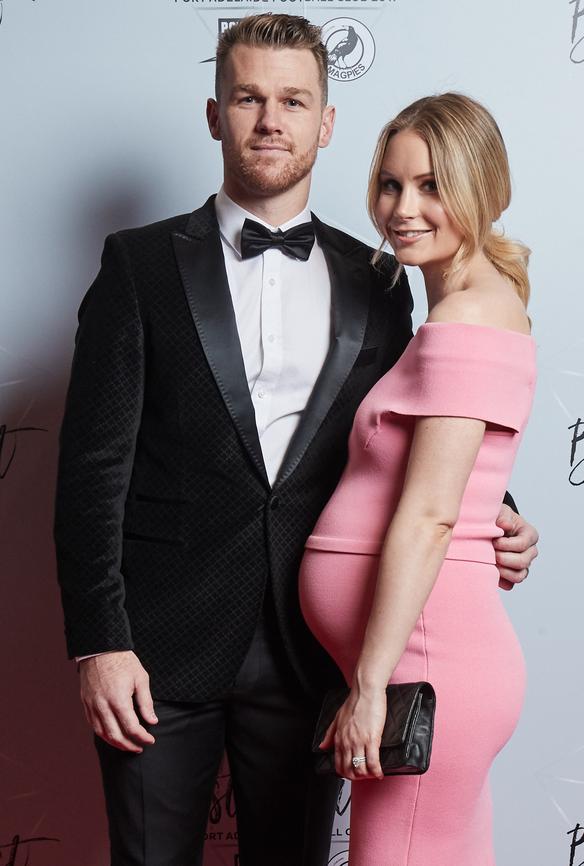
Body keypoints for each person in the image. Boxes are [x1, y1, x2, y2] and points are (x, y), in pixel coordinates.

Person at [53, 14, 538, 866]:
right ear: (215, 114)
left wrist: (498, 509)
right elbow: (92, 470)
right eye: (248, 97)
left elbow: (415, 429)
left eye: (292, 100)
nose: (270, 119)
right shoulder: (138, 266)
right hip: (158, 650)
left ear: (326, 123)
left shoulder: (382, 280)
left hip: (313, 654)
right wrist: (101, 641)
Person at [299, 92, 536, 866]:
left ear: (484, 191)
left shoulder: (469, 318)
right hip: (430, 661)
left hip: (423, 669)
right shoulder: (463, 311)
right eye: (391, 184)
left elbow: (432, 513)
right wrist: (506, 517)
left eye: (432, 186)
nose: (403, 208)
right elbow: (459, 477)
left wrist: (370, 686)